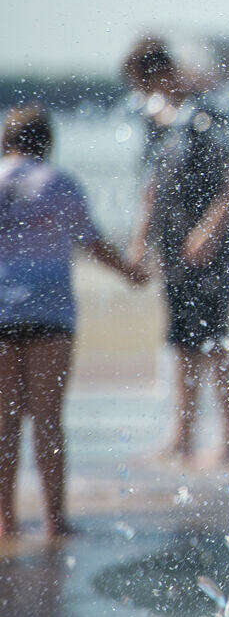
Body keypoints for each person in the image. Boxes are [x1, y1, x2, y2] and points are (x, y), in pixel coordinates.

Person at [0, 104, 148, 537]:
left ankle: (6, 519)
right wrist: (131, 274)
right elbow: (92, 243)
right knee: (47, 417)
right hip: (49, 313)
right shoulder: (59, 183)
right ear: (47, 142)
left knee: (4, 419)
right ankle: (54, 519)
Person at [122, 37, 229, 463]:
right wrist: (140, 242)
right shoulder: (156, 122)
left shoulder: (203, 114)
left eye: (144, 84)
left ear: (162, 74)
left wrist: (209, 230)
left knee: (213, 339)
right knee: (180, 338)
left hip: (214, 245)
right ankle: (183, 434)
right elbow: (152, 187)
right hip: (174, 245)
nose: (141, 95)